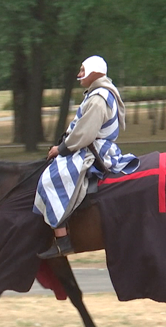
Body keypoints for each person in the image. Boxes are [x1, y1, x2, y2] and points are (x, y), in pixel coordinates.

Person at [33, 55, 140, 259]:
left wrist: (61, 149)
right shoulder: (99, 94)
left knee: (51, 179)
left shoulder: (99, 98)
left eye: (82, 70)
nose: (78, 75)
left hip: (91, 151)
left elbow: (85, 134)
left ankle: (62, 239)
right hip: (91, 146)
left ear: (94, 72)